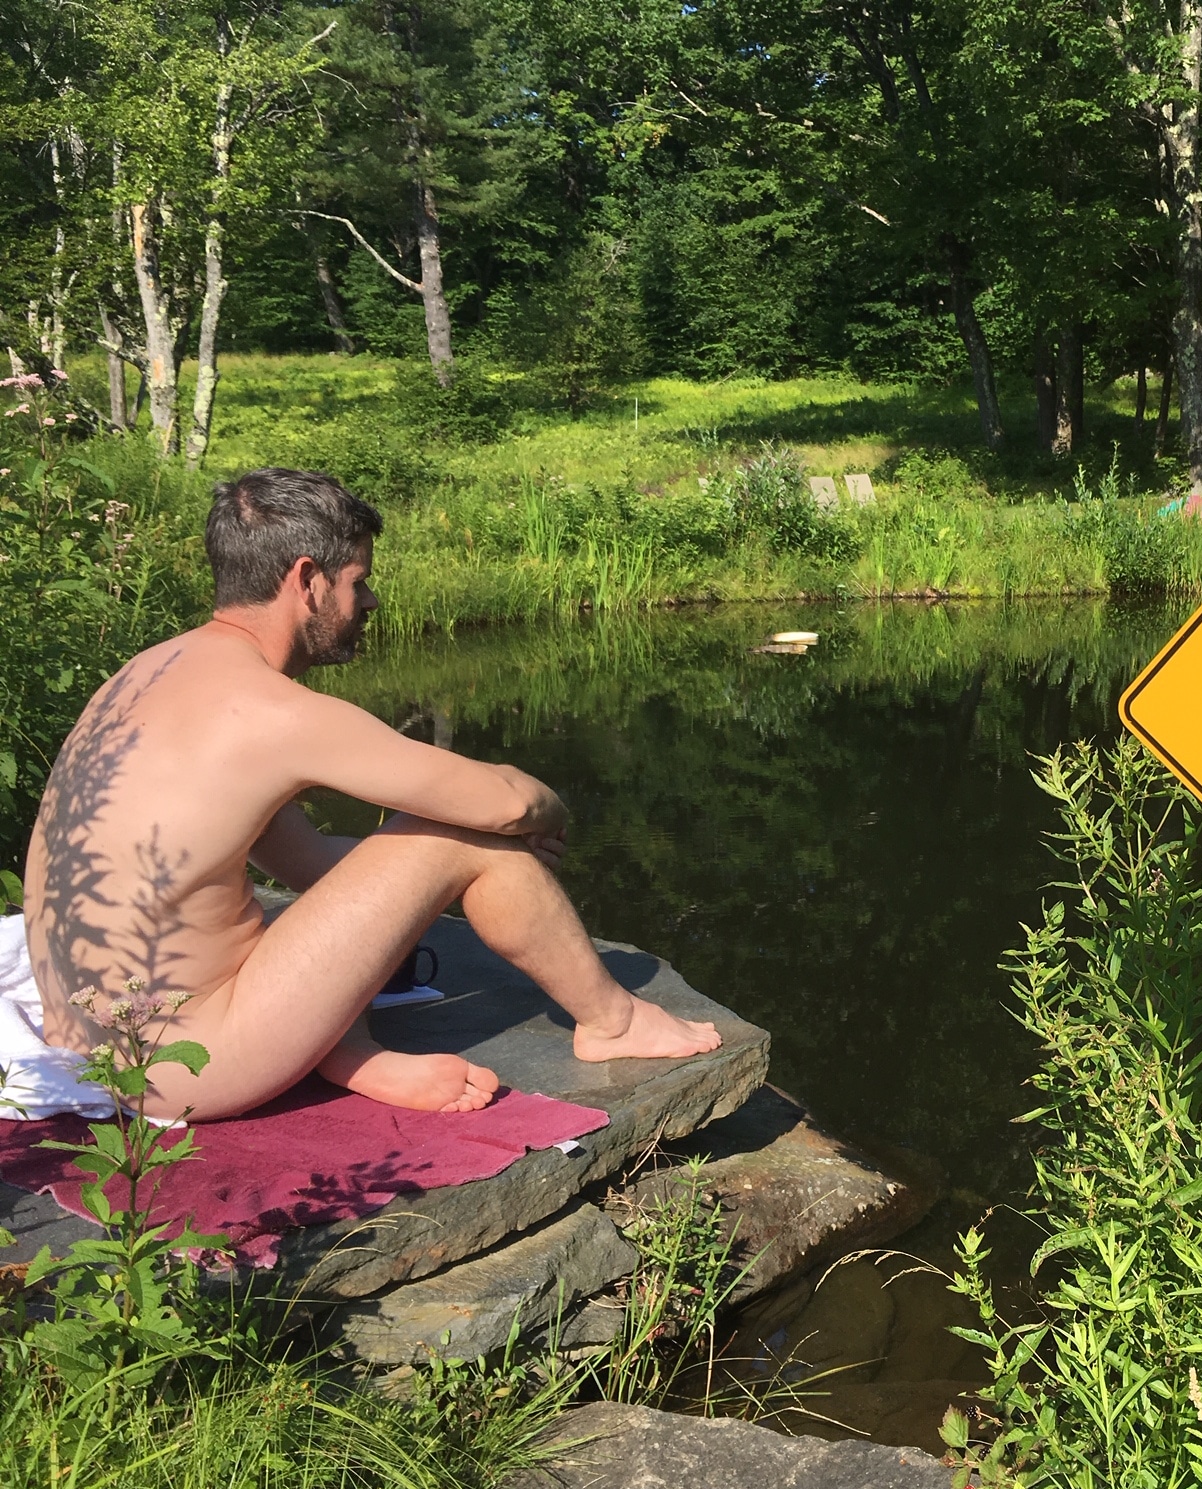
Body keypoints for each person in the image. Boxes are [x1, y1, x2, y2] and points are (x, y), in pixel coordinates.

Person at [21, 468, 720, 1121]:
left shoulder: (147, 674)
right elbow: (502, 804)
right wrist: (546, 810)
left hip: (90, 1036)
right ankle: (613, 1022)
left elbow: (314, 865)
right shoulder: (274, 711)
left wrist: (422, 887)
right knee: (456, 832)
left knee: (423, 850)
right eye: (359, 581)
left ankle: (344, 1052)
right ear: (308, 580)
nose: (372, 602)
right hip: (183, 1063)